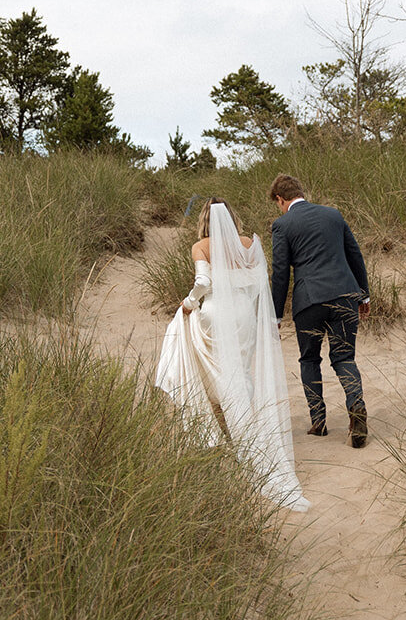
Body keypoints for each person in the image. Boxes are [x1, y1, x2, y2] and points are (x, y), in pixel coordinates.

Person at [155, 197, 308, 510]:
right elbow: (257, 284)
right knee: (241, 370)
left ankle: (222, 430)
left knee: (211, 367)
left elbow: (203, 282)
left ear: (205, 220)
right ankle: (244, 431)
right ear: (232, 218)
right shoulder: (249, 244)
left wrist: (189, 303)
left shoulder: (202, 245)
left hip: (215, 313)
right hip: (244, 316)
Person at [269, 172, 370, 448]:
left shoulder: (282, 224)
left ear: (280, 199)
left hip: (309, 301)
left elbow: (280, 273)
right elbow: (354, 254)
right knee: (344, 356)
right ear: (301, 191)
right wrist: (364, 294)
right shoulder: (333, 215)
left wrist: (275, 314)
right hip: (345, 294)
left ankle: (319, 421)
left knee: (309, 359)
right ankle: (356, 404)